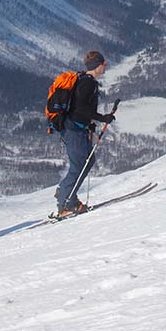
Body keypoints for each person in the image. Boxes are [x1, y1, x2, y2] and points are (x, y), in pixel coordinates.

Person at [54, 50, 116, 217]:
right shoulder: (87, 83)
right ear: (97, 65)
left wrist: (90, 124)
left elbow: (80, 108)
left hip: (77, 128)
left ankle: (65, 193)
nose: (105, 66)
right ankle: (65, 203)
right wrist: (102, 118)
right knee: (80, 165)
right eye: (103, 63)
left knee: (88, 161)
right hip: (73, 129)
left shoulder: (85, 80)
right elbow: (81, 108)